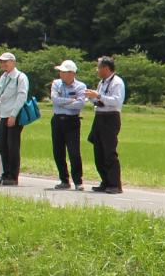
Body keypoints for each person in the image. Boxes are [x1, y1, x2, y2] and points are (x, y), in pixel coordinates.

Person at [85, 56, 126, 193]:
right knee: (99, 152)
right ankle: (105, 181)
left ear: (106, 68)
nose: (97, 70)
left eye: (99, 67)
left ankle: (115, 184)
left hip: (111, 118)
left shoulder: (117, 82)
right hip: (100, 116)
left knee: (109, 152)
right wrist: (92, 98)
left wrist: (98, 96)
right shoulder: (101, 83)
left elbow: (116, 101)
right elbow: (100, 101)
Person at [49, 59, 88, 190]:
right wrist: (71, 100)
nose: (61, 74)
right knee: (58, 152)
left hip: (72, 121)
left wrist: (63, 102)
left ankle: (78, 181)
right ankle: (64, 180)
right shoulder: (56, 83)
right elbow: (54, 99)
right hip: (57, 120)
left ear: (72, 73)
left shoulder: (80, 86)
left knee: (74, 152)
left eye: (64, 72)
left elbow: (80, 103)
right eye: (60, 71)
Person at [0, 52, 30, 186]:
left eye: (5, 61)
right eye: (1, 62)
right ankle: (6, 172)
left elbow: (21, 96)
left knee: (12, 146)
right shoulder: (3, 77)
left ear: (13, 62)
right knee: (3, 146)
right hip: (3, 114)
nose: (3, 64)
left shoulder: (20, 77)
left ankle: (13, 176)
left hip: (14, 115)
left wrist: (13, 115)